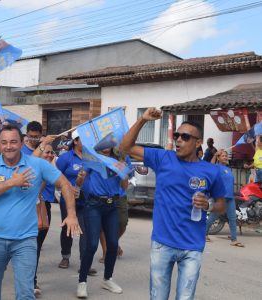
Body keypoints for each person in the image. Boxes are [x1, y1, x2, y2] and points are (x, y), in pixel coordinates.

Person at [119, 107, 226, 300]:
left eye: (185, 137)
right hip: (162, 243)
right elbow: (125, 147)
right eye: (177, 135)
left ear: (198, 142)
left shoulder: (212, 171)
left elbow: (221, 205)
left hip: (192, 246)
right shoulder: (163, 158)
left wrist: (208, 205)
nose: (178, 140)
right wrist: (143, 120)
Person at [0, 124, 81, 300]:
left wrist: (71, 214)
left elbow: (64, 184)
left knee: (26, 292)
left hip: (25, 240)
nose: (8, 146)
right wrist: (11, 182)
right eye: (4, 142)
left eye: (13, 142)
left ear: (21, 142)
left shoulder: (37, 164)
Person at [76, 147, 126, 298]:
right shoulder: (92, 158)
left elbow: (124, 186)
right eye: (102, 144)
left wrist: (123, 173)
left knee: (112, 244)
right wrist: (81, 176)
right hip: (94, 205)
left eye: (108, 144)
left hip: (112, 205)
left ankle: (107, 279)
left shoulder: (120, 159)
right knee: (91, 244)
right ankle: (82, 282)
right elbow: (79, 182)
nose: (105, 147)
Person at [55, 132, 90, 273]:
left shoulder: (91, 158)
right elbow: (55, 177)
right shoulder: (65, 158)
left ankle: (85, 262)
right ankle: (65, 256)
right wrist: (67, 188)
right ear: (75, 141)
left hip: (87, 198)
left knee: (85, 230)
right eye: (84, 139)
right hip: (68, 199)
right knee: (67, 228)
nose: (87, 143)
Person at [206, 150, 244, 247]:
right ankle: (203, 234)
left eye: (226, 156)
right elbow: (210, 165)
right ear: (219, 158)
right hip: (221, 198)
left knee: (232, 218)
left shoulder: (228, 169)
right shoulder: (217, 167)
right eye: (223, 156)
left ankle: (234, 240)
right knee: (213, 217)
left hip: (230, 197)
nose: (225, 157)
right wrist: (215, 155)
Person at [34, 143, 56, 296]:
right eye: (46, 152)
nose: (50, 155)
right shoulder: (29, 167)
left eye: (51, 152)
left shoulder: (50, 167)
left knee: (36, 246)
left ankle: (31, 280)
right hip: (27, 210)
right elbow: (36, 188)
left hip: (43, 206)